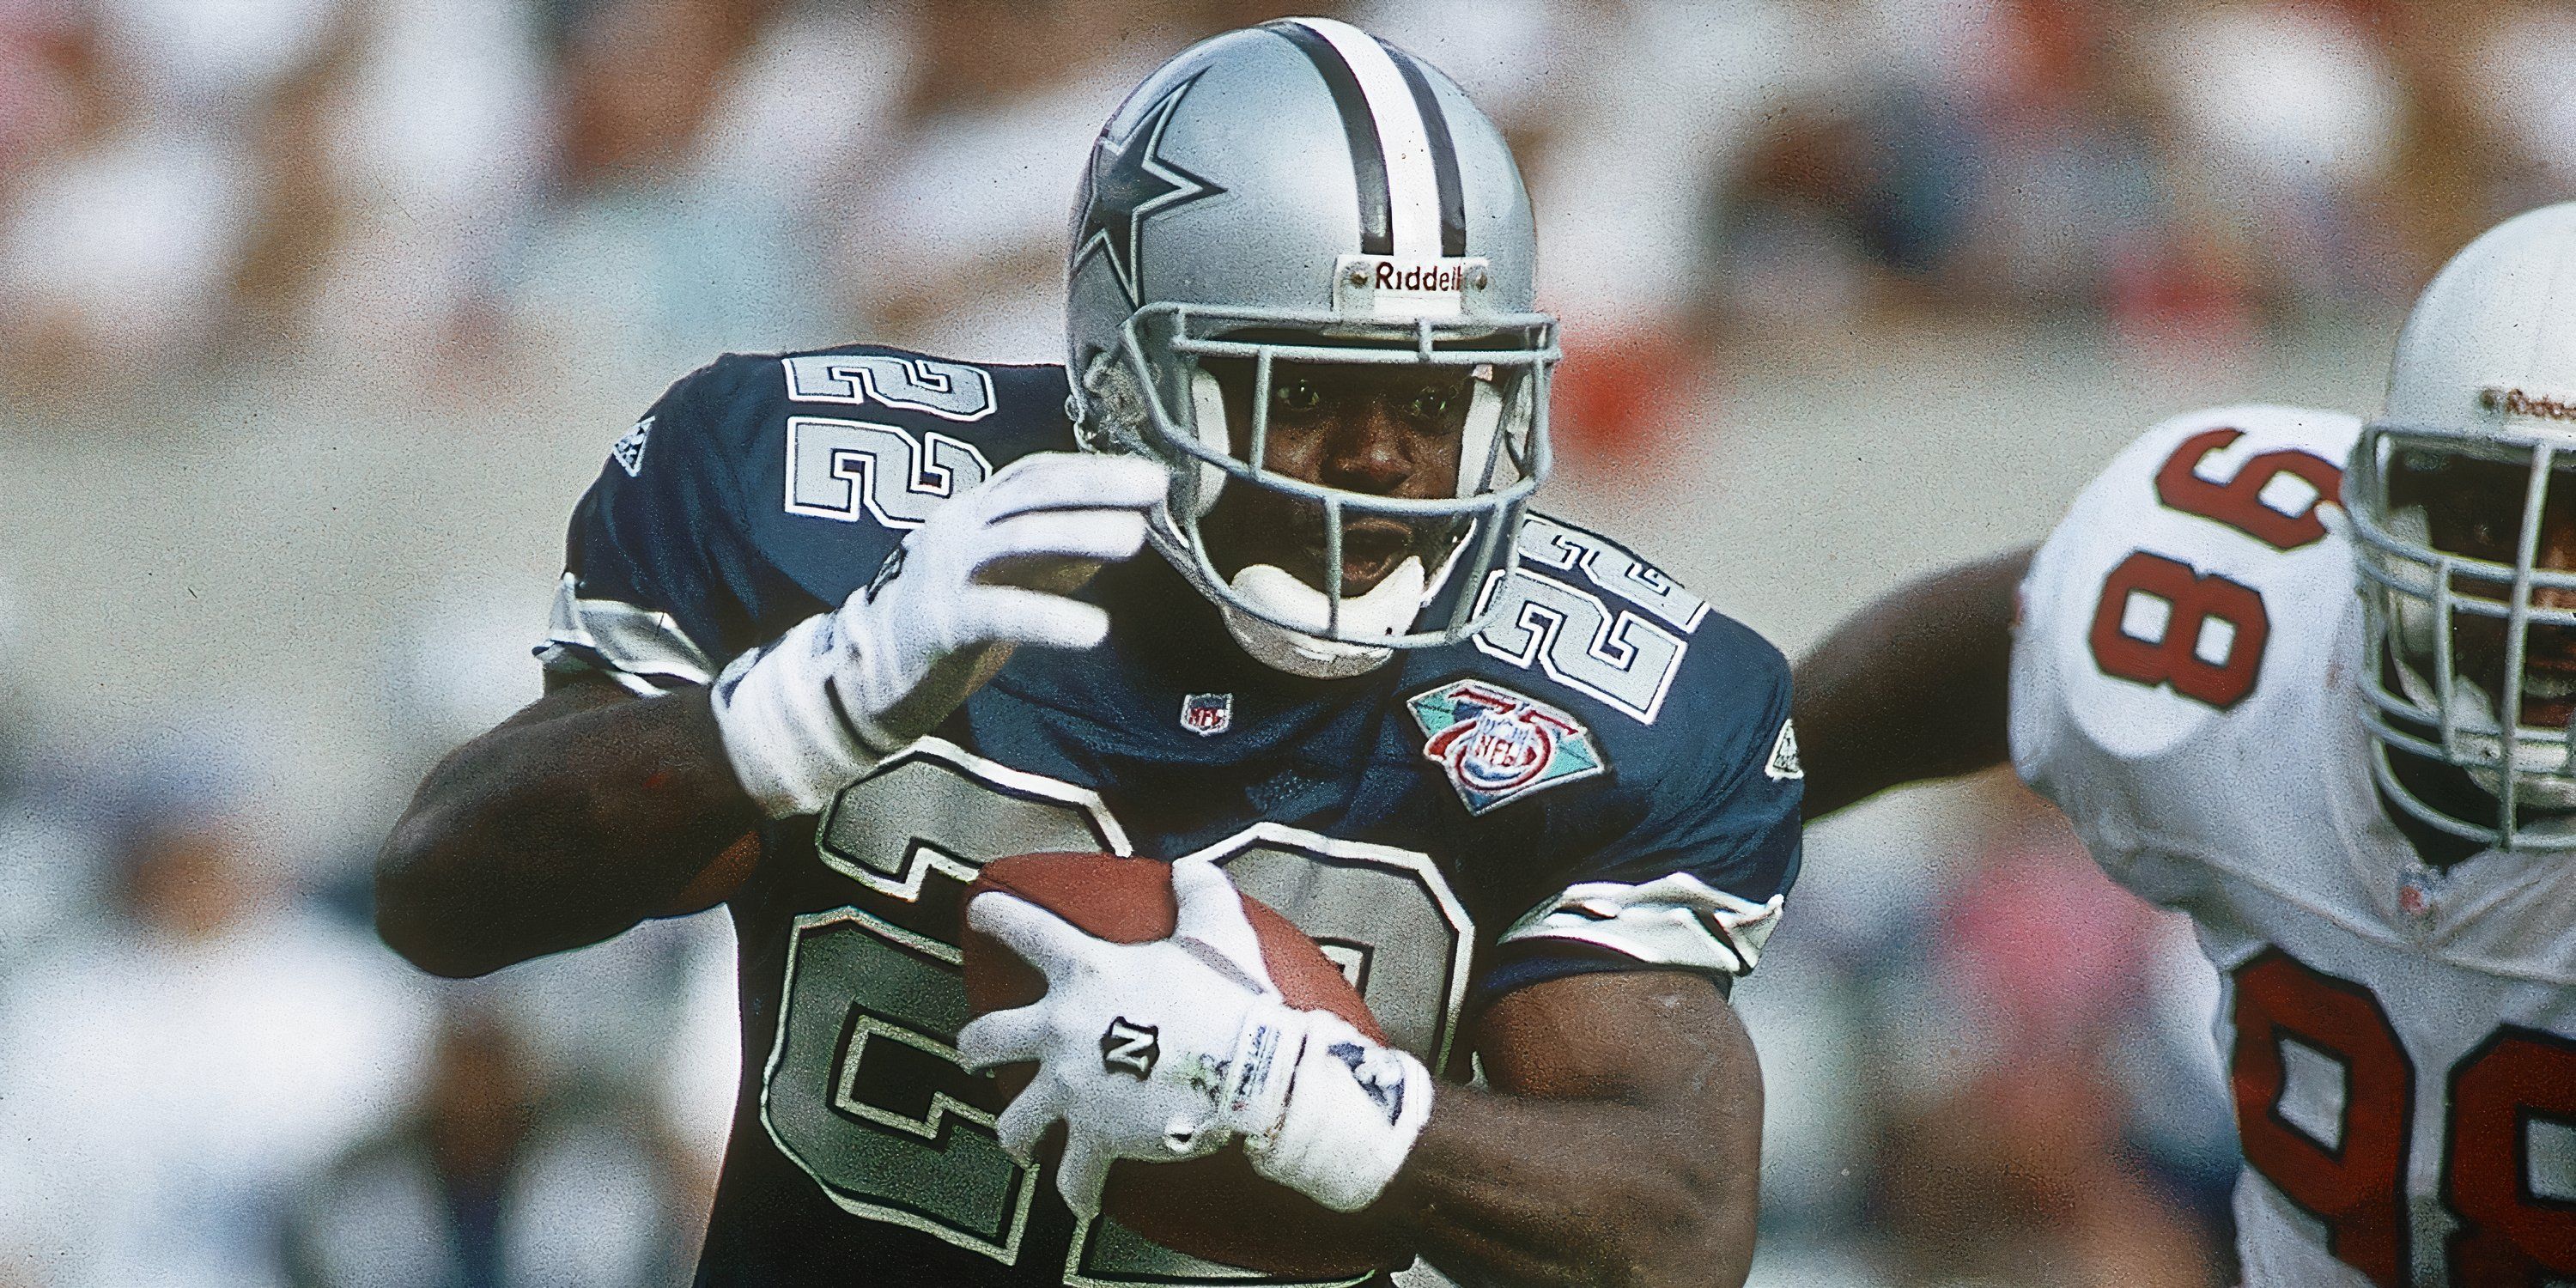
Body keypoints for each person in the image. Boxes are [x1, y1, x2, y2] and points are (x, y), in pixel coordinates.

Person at [374, 19, 1802, 1288]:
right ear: (1131, 373)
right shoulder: (814, 509)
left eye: (1439, 398)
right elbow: (445, 898)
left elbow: (1676, 1233)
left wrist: (1305, 1100)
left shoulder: (1618, 705)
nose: (1385, 465)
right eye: (1303, 388)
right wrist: (795, 716)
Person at [1792, 202, 2576, 1287]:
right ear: (2390, 506)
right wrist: (1700, 813)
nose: (2549, 596)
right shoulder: (2240, 628)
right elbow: (1971, 658)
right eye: (2495, 520)